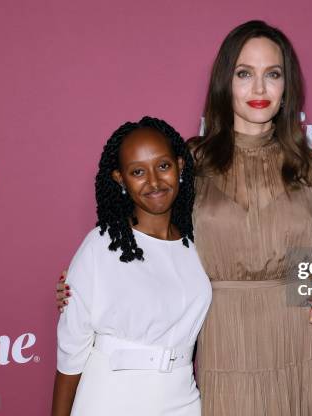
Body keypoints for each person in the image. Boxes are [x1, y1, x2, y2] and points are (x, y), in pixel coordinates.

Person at [57, 21, 312, 415]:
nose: (259, 89)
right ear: (226, 82)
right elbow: (151, 239)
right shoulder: (194, 163)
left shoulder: (310, 168)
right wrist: (84, 287)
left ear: (286, 86)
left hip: (300, 344)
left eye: (272, 75)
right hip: (227, 344)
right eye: (245, 74)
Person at [52, 117, 212, 416]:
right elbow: (71, 355)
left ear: (180, 165)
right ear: (120, 179)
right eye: (138, 172)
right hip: (110, 399)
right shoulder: (101, 246)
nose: (153, 182)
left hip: (183, 401)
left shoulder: (198, 245)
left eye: (163, 166)